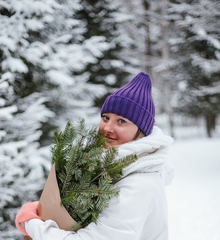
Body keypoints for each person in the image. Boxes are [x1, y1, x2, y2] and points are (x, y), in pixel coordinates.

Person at [15, 72, 174, 240]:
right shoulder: (107, 168)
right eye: (106, 118)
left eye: (121, 121)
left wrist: (33, 224)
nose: (107, 128)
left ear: (141, 131)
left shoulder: (137, 185)